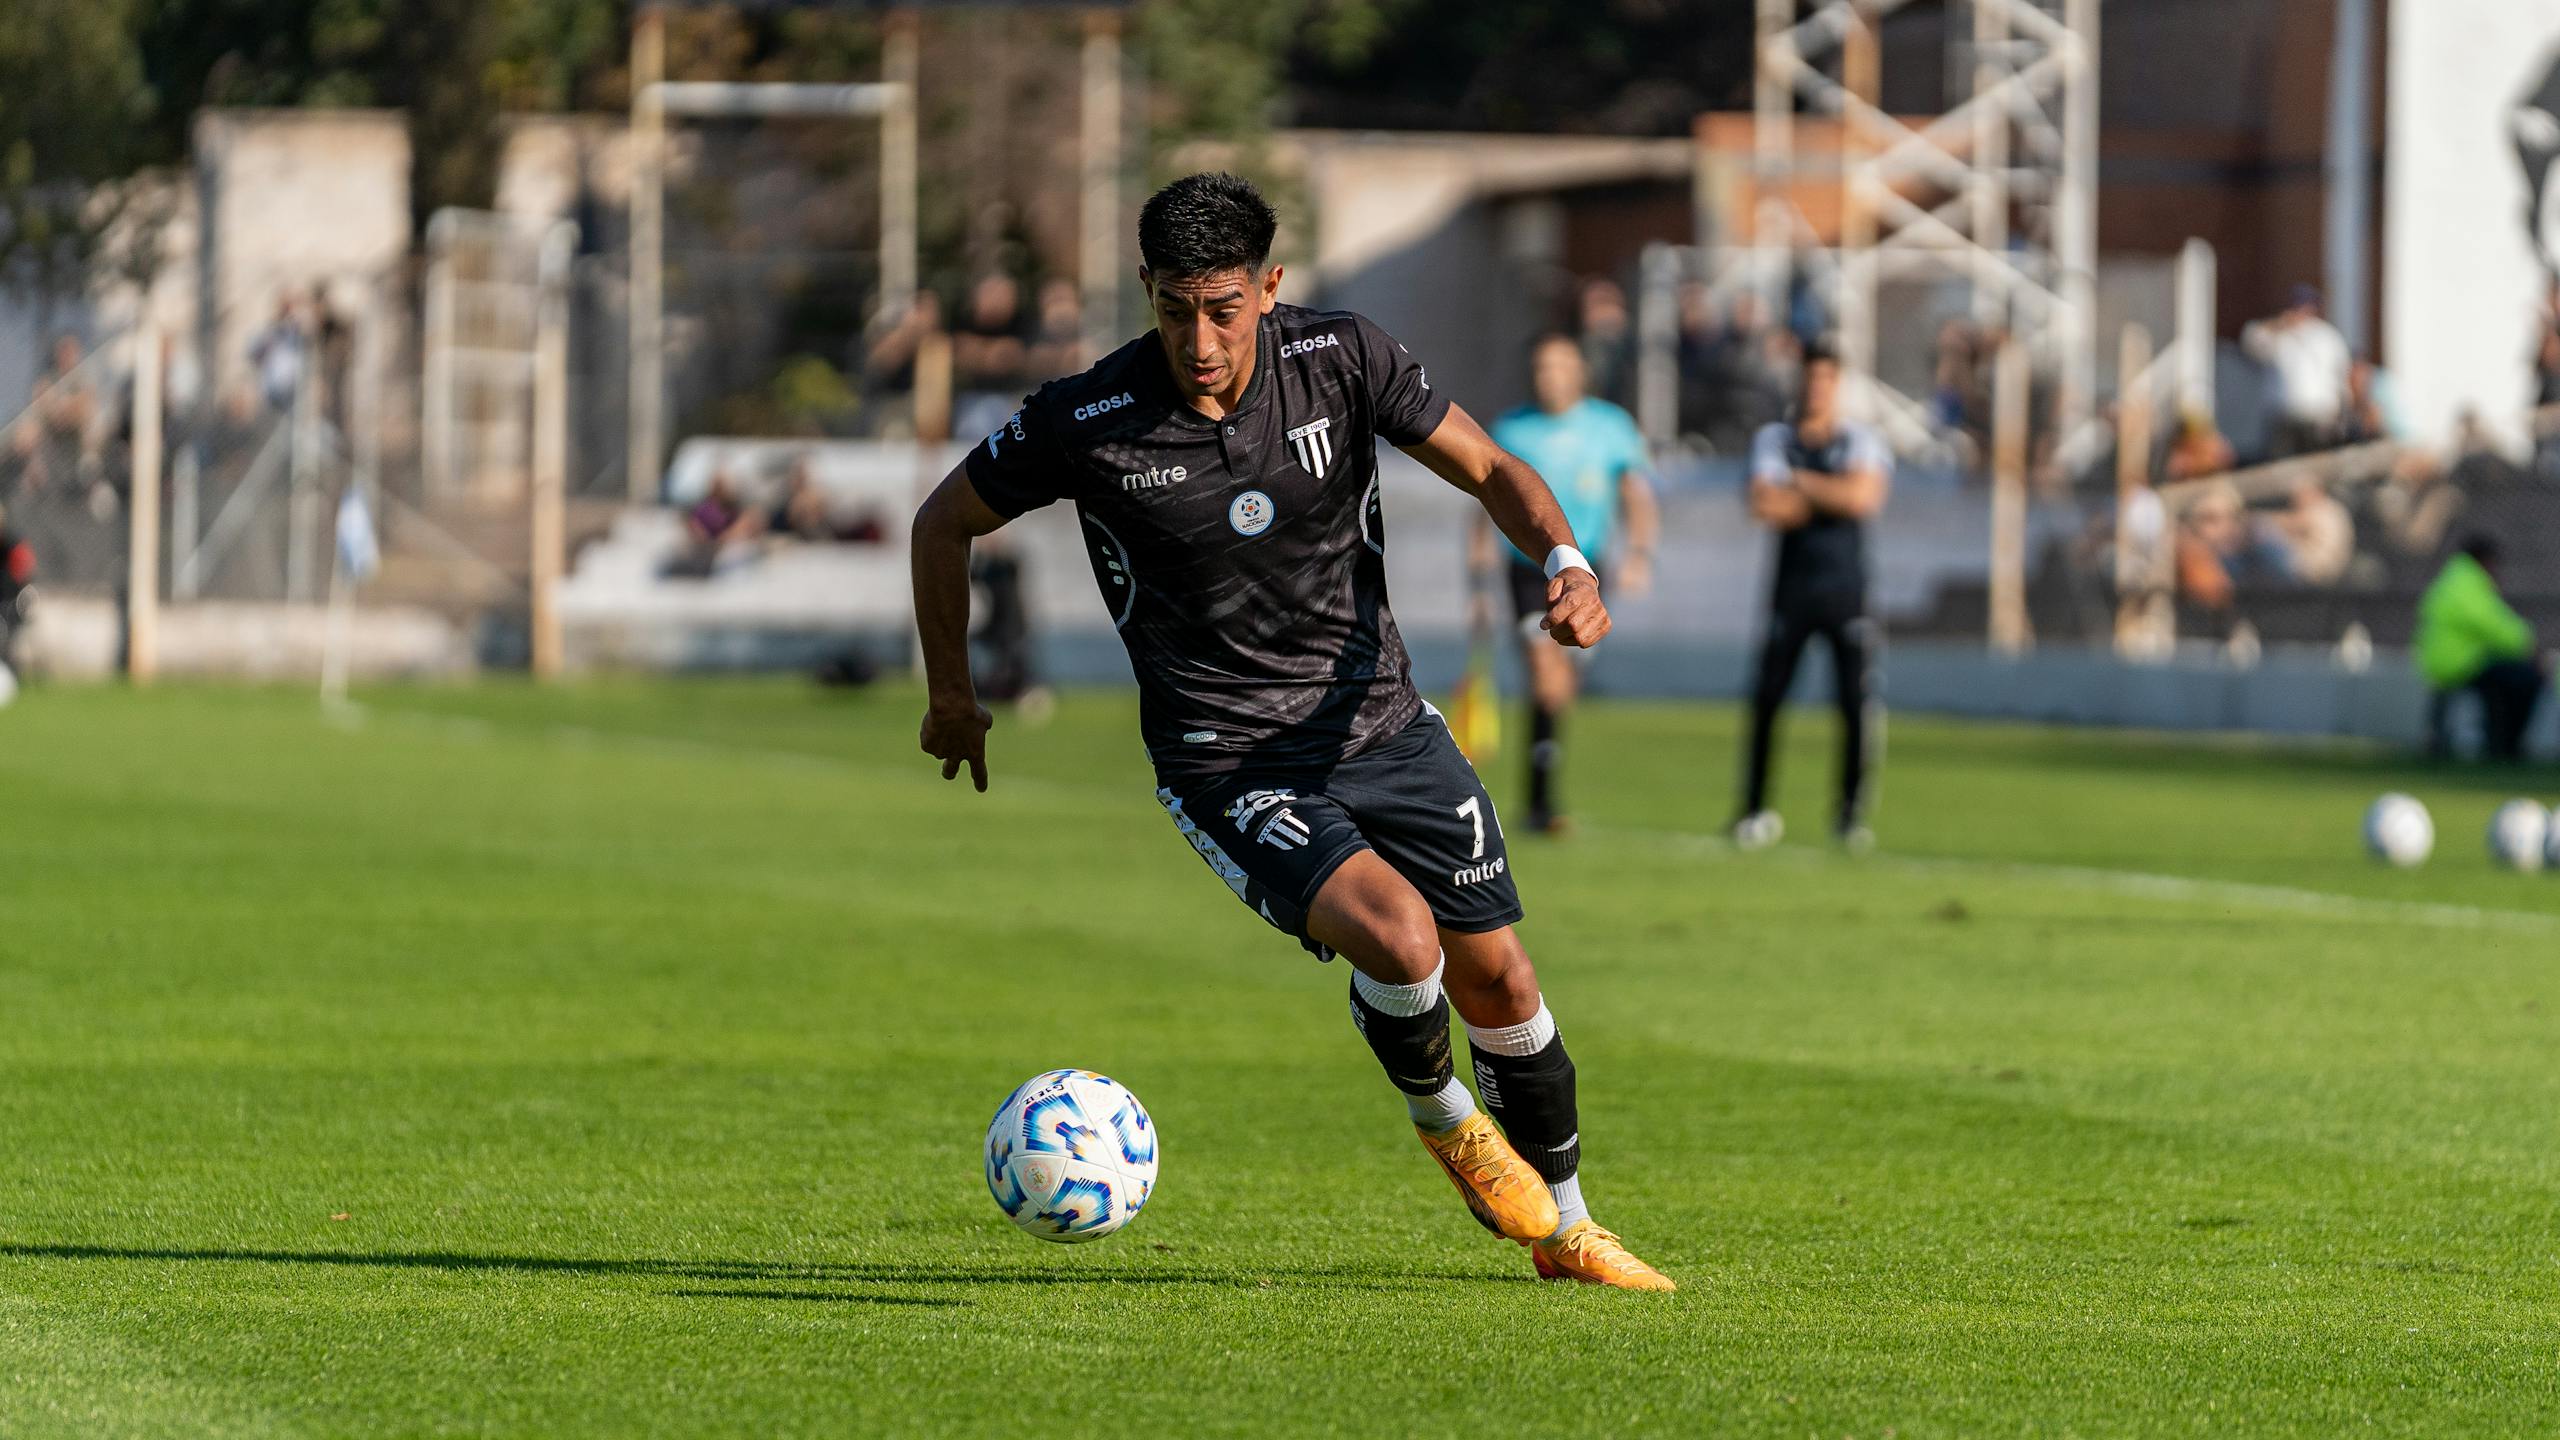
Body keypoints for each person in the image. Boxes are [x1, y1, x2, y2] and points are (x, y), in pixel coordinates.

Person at [911, 172, 1671, 1290]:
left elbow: (1494, 469)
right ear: (1147, 295)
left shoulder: (1344, 358)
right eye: (1174, 310)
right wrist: (951, 693)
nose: (1200, 339)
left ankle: (1569, 1230)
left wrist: (1563, 561)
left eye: (1222, 308)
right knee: (1402, 939)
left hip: (1382, 722)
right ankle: (1448, 1122)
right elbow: (944, 521)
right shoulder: (1089, 418)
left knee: (1502, 980)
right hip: (1228, 758)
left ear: (1268, 287)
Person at [1472, 333, 1658, 835]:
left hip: (1587, 572)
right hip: (1528, 571)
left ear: (1579, 372)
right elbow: (1486, 499)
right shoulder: (1512, 428)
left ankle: (1539, 793)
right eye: (1541, 366)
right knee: (1544, 672)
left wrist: (1640, 554)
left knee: (1560, 687)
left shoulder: (1610, 426)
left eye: (1558, 366)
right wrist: (1476, 583)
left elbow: (1635, 495)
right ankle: (1541, 802)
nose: (1548, 375)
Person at [1734, 343, 1891, 852]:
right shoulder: (1774, 439)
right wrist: (1832, 493)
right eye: (1810, 379)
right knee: (1768, 701)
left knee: (1853, 705)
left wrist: (1800, 484)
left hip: (1847, 592)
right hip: (1790, 592)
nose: (1816, 388)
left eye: (1826, 379)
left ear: (1836, 384)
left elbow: (1864, 498)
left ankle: (1849, 815)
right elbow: (1765, 504)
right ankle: (1754, 809)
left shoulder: (1860, 440)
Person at [2418, 537, 2545, 761]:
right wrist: (2527, 643)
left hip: (2445, 662)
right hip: (2459, 663)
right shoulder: (2467, 582)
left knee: (2508, 679)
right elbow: (2493, 624)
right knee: (2527, 679)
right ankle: (2506, 747)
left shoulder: (2452, 578)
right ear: (2484, 561)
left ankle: (2501, 744)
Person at [2241, 286, 2350, 460]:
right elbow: (2250, 342)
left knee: (2317, 464)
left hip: (2318, 416)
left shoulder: (2327, 337)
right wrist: (2280, 324)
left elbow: (2340, 377)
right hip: (2284, 418)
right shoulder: (2277, 334)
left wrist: (2339, 414)